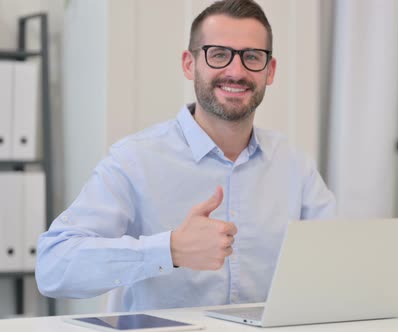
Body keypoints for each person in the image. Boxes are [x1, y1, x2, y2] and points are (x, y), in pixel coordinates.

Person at [36, 0, 335, 312]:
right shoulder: (135, 159)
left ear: (269, 71)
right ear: (189, 64)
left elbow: (337, 261)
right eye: (218, 54)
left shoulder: (294, 166)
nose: (236, 71)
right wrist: (169, 250)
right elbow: (53, 267)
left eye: (252, 57)